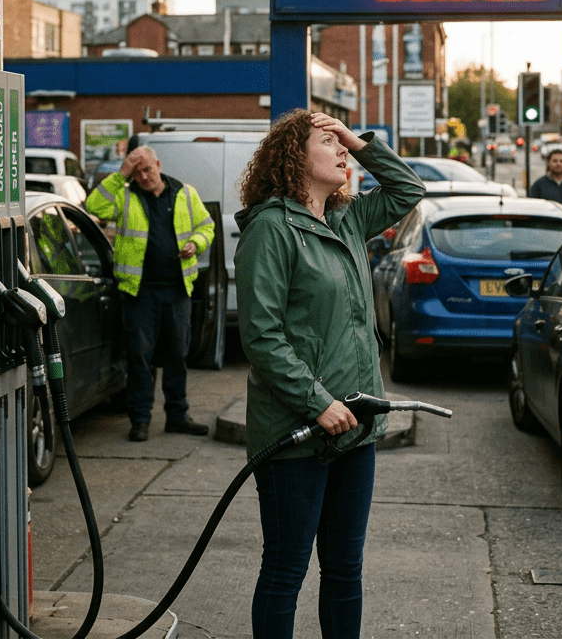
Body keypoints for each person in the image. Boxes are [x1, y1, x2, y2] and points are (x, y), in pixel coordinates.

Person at [234, 110, 425, 639]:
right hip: (295, 434)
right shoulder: (271, 229)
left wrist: (356, 140)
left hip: (354, 426)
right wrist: (318, 403)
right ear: (295, 158)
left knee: (344, 569)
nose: (341, 151)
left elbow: (409, 188)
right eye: (328, 142)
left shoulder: (346, 219)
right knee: (286, 571)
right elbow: (262, 337)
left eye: (342, 144)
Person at [86, 145, 215, 442]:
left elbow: (207, 227)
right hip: (139, 292)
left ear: (158, 164)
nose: (143, 176)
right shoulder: (126, 194)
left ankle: (177, 415)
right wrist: (121, 174)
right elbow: (94, 206)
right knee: (140, 358)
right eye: (137, 171)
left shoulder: (185, 192)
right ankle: (140, 419)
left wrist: (196, 242)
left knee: (177, 356)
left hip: (177, 290)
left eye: (148, 169)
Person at [528, 149, 562, 218]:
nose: (558, 164)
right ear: (548, 163)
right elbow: (532, 208)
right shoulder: (539, 185)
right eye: (555, 161)